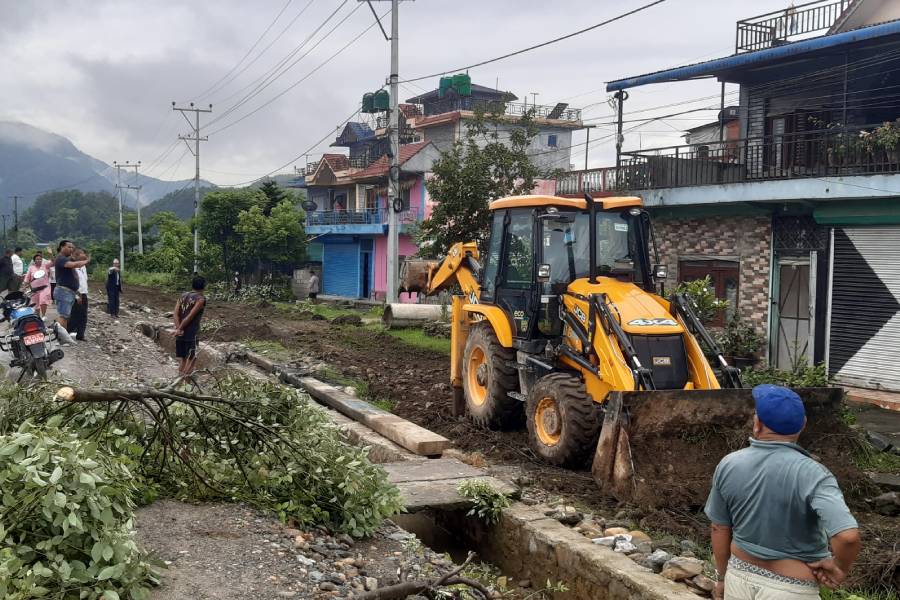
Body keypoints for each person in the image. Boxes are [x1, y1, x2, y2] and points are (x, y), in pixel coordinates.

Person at [705, 384, 861, 600]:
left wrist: (722, 578)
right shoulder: (815, 474)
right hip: (791, 589)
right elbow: (847, 537)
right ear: (803, 425)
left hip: (738, 578)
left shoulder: (729, 464)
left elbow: (718, 527)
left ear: (757, 424)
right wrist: (838, 566)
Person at [53, 240, 89, 345]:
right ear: (62, 247)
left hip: (69, 291)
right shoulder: (61, 259)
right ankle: (61, 339)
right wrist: (86, 261)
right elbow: (74, 265)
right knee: (63, 316)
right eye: (69, 247)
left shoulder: (65, 259)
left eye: (72, 247)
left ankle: (64, 337)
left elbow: (75, 276)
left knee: (65, 315)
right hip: (64, 291)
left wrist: (77, 292)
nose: (71, 249)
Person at [173, 275, 206, 378]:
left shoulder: (182, 296)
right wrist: (180, 329)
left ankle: (177, 383)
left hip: (181, 334)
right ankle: (185, 384)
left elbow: (175, 314)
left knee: (183, 359)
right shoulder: (201, 299)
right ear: (204, 286)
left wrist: (179, 329)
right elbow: (190, 316)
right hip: (191, 334)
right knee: (191, 359)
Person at [67, 249, 90, 340]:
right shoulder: (73, 268)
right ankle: (66, 332)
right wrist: (77, 296)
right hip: (76, 294)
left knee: (84, 315)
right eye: (82, 254)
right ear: (77, 256)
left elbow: (85, 281)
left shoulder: (83, 267)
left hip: (84, 293)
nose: (84, 255)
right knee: (75, 315)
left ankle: (80, 334)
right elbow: (71, 283)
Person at [23, 252, 51, 317]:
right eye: (37, 259)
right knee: (36, 304)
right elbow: (27, 277)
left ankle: (43, 315)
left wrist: (50, 254)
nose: (39, 260)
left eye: (40, 259)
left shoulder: (45, 266)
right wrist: (25, 286)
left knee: (43, 301)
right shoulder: (31, 268)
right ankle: (38, 316)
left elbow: (53, 262)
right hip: (34, 289)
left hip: (45, 287)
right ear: (34, 260)